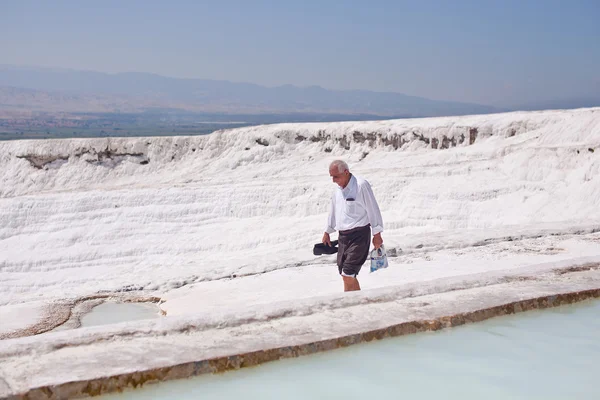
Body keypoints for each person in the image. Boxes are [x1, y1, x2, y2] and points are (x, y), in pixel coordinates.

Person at [322, 160, 384, 292]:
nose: (333, 180)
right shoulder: (337, 191)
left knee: (348, 273)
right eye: (331, 177)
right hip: (343, 238)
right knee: (346, 275)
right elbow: (334, 212)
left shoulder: (361, 185)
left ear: (346, 172)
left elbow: (373, 209)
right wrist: (327, 231)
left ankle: (351, 305)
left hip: (359, 236)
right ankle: (356, 303)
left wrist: (377, 234)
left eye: (336, 176)